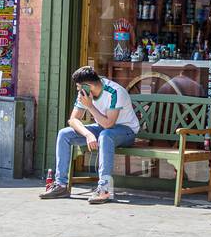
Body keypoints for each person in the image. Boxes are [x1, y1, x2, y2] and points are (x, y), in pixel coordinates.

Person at [40, 66, 142, 205]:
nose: (77, 90)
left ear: (87, 86)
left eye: (78, 86)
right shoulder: (84, 93)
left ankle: (104, 189)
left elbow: (108, 124)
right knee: (64, 134)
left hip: (126, 131)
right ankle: (61, 186)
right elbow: (73, 120)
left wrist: (90, 106)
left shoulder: (115, 92)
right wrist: (88, 134)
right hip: (102, 129)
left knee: (105, 135)